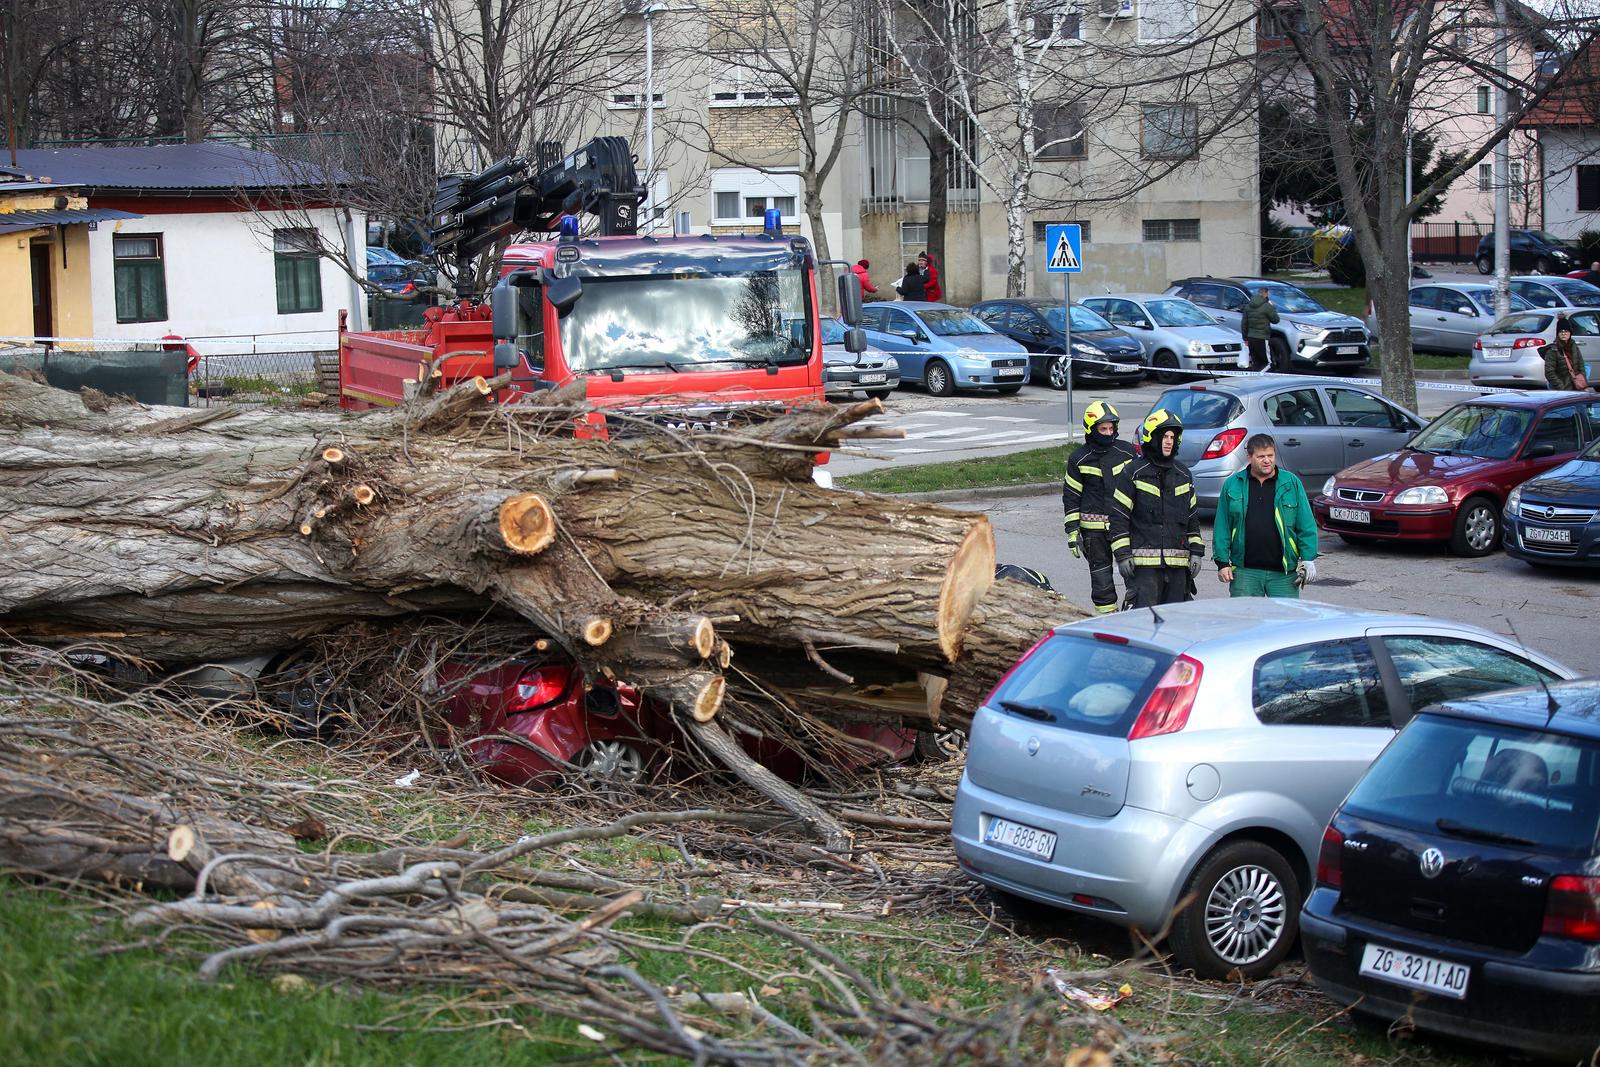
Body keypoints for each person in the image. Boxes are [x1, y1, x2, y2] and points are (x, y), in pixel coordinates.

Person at [1109, 410, 1205, 608]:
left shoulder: (1183, 474)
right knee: (1145, 622)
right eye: (1164, 436)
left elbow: (1192, 518)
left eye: (1173, 437)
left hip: (1178, 567)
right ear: (1152, 437)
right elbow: (1119, 517)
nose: (1169, 441)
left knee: (1175, 623)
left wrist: (1196, 552)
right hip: (1144, 568)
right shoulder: (1133, 472)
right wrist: (1123, 555)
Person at [1212, 433, 1319, 598]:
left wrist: (1308, 559)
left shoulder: (1291, 483)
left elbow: (1306, 524)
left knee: (1285, 622)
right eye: (1261, 456)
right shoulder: (1233, 484)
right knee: (1247, 622)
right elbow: (1222, 527)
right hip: (1245, 572)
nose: (1267, 460)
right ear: (1249, 457)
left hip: (1284, 575)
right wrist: (1222, 563)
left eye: (1270, 455)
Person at [1062, 401, 1138, 615]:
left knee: (1136, 578)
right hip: (1093, 534)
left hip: (1124, 528)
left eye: (1111, 428)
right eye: (1102, 429)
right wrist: (1072, 531)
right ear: (1091, 429)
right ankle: (1108, 623)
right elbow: (1071, 496)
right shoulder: (1079, 459)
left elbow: (1139, 489)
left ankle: (1133, 619)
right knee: (1102, 584)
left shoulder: (1127, 452)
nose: (1107, 433)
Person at [1543, 317, 1588, 390]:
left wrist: (1582, 379)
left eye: (1566, 331)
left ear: (1570, 333)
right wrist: (1561, 387)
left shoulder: (1574, 347)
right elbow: (1549, 372)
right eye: (1561, 332)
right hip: (1562, 389)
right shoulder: (1553, 350)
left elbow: (1581, 366)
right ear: (1557, 334)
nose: (1564, 334)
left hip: (1577, 387)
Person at [1241, 287, 1280, 371]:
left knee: (1256, 362)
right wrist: (1272, 307)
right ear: (1266, 294)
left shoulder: (1248, 306)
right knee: (1268, 363)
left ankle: (1256, 379)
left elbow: (1244, 324)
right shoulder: (1267, 306)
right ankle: (1262, 377)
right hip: (1262, 338)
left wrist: (1245, 338)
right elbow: (1276, 320)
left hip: (1251, 338)